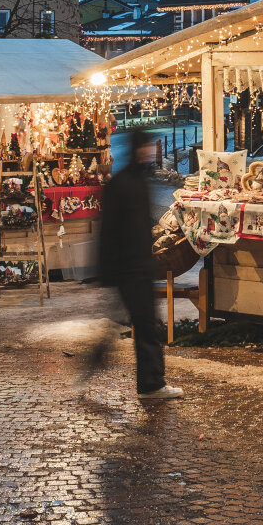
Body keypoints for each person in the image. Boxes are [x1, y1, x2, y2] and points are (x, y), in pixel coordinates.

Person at [93, 130, 180, 400]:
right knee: (144, 325)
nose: (150, 152)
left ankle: (144, 381)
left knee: (135, 325)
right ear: (136, 149)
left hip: (135, 266)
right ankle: (151, 384)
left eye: (151, 147)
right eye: (145, 147)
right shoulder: (123, 184)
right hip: (130, 268)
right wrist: (110, 270)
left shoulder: (136, 180)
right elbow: (109, 231)